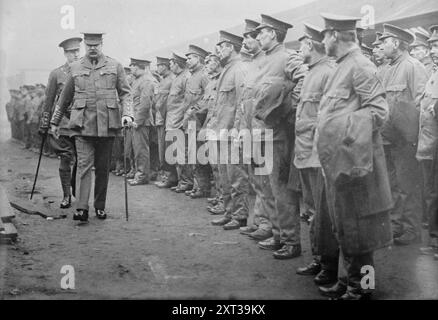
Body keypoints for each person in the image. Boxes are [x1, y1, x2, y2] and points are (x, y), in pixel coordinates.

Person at [316, 13, 392, 300]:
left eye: (324, 35)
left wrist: (340, 131)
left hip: (355, 161)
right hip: (339, 162)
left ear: (334, 35)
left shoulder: (360, 65)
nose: (322, 41)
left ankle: (364, 288)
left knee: (361, 231)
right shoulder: (341, 66)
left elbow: (379, 112)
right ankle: (350, 282)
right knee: (345, 226)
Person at [50, 32, 133, 222]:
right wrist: (54, 121)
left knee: (103, 169)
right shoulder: (75, 67)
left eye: (96, 45)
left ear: (102, 44)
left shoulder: (115, 66)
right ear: (86, 45)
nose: (93, 48)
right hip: (82, 126)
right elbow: (64, 98)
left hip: (108, 126)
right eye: (89, 45)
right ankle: (81, 208)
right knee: (84, 167)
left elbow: (126, 93)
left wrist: (128, 114)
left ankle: (100, 206)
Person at [251, 14, 306, 259]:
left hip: (278, 135)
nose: (257, 36)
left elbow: (305, 79)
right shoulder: (264, 60)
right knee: (268, 188)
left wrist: (289, 110)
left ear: (273, 33)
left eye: (261, 32)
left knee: (281, 189)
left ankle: (291, 241)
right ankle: (278, 234)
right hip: (261, 134)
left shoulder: (287, 57)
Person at [293, 23, 338, 285]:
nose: (299, 50)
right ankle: (319, 259)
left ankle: (329, 264)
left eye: (302, 45)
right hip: (305, 152)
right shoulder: (312, 72)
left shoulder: (326, 73)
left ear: (310, 45)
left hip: (318, 154)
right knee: (311, 212)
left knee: (323, 216)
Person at [380, 23, 428, 245]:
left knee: (408, 186)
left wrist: (412, 137)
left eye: (385, 41)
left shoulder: (413, 66)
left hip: (405, 140)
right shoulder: (387, 69)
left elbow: (420, 103)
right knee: (392, 185)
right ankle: (395, 225)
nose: (382, 45)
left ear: (396, 43)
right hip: (387, 138)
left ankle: (411, 229)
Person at [234, 18, 274, 241]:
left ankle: (267, 224)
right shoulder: (250, 66)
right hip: (249, 130)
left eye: (251, 37)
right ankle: (257, 220)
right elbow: (243, 103)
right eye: (246, 37)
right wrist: (241, 129)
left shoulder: (268, 63)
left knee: (265, 179)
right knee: (255, 180)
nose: (248, 41)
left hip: (263, 130)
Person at [206, 30, 250, 230]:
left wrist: (238, 130)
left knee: (236, 177)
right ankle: (229, 211)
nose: (219, 50)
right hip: (220, 131)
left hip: (230, 132)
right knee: (224, 177)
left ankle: (240, 215)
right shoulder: (227, 69)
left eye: (221, 46)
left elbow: (242, 103)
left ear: (231, 47)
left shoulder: (239, 68)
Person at [40, 37, 82, 209]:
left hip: (82, 124)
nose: (76, 54)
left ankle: (77, 191)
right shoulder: (57, 74)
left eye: (78, 51)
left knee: (82, 160)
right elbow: (48, 101)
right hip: (63, 124)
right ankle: (66, 195)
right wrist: (45, 124)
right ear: (65, 53)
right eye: (73, 52)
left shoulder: (85, 70)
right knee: (66, 158)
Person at [418, 25, 438, 257]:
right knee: (433, 193)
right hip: (431, 144)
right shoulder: (433, 73)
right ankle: (434, 241)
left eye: (436, 45)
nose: (433, 50)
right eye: (432, 45)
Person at [158, 53, 189, 190]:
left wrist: (182, 120)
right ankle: (174, 179)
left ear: (178, 64)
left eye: (172, 63)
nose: (170, 65)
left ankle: (185, 181)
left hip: (178, 121)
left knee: (180, 154)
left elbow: (187, 102)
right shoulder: (177, 78)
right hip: (171, 121)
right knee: (171, 153)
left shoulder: (185, 78)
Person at [182, 44, 210, 197]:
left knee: (199, 156)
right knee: (192, 155)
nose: (187, 60)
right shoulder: (191, 76)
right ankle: (197, 185)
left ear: (198, 58)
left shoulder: (204, 76)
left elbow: (208, 99)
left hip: (199, 122)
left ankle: (203, 187)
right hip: (191, 121)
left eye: (190, 57)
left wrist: (196, 113)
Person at [129, 58, 157, 186]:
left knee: (141, 150)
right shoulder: (137, 81)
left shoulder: (146, 81)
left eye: (133, 65)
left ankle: (142, 176)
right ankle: (140, 173)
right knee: (138, 149)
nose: (131, 68)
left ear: (140, 67)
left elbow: (145, 104)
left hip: (142, 121)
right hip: (137, 120)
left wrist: (138, 121)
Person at [154, 56, 175, 186]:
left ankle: (170, 177)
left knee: (167, 151)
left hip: (165, 119)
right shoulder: (164, 80)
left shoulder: (170, 80)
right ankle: (167, 176)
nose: (157, 68)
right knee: (163, 151)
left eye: (159, 65)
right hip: (161, 119)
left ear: (165, 66)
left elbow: (165, 103)